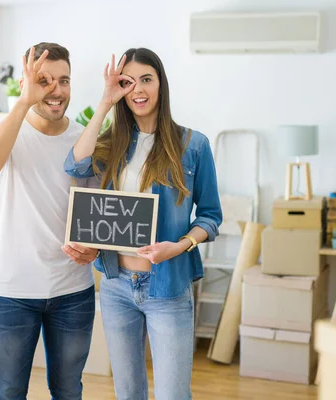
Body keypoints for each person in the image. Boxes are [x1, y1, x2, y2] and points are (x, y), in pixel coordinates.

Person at [64, 48, 223, 400]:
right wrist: (106, 100)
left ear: (161, 84)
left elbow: (211, 216)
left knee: (172, 395)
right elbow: (75, 165)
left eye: (146, 79)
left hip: (168, 286)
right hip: (117, 285)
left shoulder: (193, 145)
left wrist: (179, 245)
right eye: (128, 82)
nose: (138, 89)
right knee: (128, 392)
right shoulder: (112, 143)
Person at [0, 42, 99, 400]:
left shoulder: (83, 139)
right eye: (44, 81)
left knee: (68, 391)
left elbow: (94, 213)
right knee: (9, 392)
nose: (56, 91)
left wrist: (94, 247)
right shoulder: (5, 132)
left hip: (73, 290)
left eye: (64, 80)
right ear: (28, 82)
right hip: (15, 292)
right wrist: (23, 103)